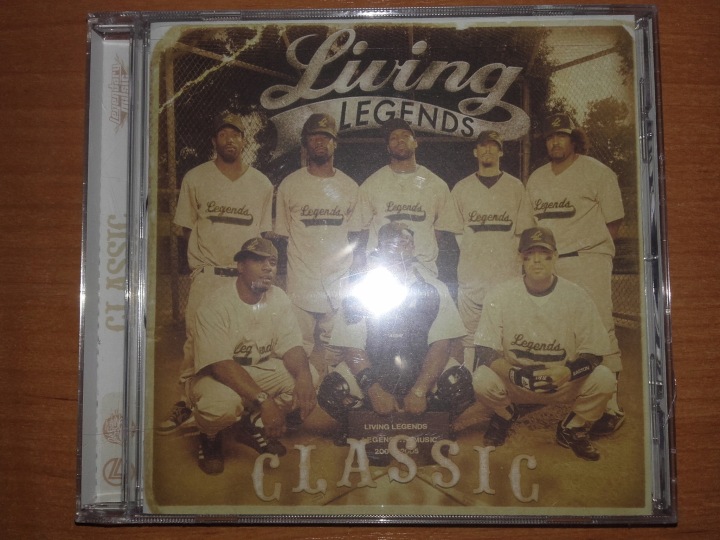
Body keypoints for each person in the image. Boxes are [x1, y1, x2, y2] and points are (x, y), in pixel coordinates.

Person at [159, 113, 274, 434]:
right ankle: (186, 401)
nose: (230, 139)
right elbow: (186, 228)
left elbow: (262, 236)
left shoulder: (261, 183)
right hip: (208, 274)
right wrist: (205, 259)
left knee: (246, 340)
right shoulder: (196, 177)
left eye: (236, 134)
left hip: (244, 278)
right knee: (196, 341)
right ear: (214, 140)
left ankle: (239, 405)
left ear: (244, 141)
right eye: (223, 134)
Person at [317, 222, 475, 453]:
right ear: (379, 249)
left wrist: (420, 390)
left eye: (407, 241)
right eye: (394, 242)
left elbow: (442, 345)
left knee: (458, 382)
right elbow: (352, 348)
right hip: (376, 371)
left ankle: (435, 426)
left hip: (420, 371)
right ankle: (360, 428)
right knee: (333, 390)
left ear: (413, 247)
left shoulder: (434, 287)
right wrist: (374, 390)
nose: (402, 246)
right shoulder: (360, 288)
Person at [472, 227, 616, 461]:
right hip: (517, 380)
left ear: (555, 256)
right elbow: (484, 350)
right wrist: (515, 374)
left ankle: (572, 427)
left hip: (561, 381)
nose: (537, 260)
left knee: (605, 378)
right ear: (521, 258)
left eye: (544, 254)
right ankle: (506, 414)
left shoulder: (576, 295)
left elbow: (594, 353)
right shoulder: (500, 294)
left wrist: (569, 372)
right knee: (481, 378)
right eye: (530, 254)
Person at [526, 113, 626, 436]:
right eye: (550, 137)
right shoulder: (537, 178)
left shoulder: (597, 171)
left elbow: (614, 222)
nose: (555, 142)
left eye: (562, 135)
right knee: (561, 330)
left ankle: (611, 406)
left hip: (588, 258)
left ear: (574, 139)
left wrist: (593, 251)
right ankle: (580, 395)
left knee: (600, 327)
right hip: (552, 262)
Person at [187, 237, 316, 475]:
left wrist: (305, 375)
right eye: (258, 261)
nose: (268, 267)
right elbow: (220, 366)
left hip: (256, 370)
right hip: (217, 377)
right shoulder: (216, 303)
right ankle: (210, 435)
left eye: (272, 262)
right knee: (222, 406)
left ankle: (252, 425)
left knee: (309, 376)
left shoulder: (278, 297)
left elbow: (291, 346)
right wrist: (265, 401)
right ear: (240, 266)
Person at [274, 113, 360, 380]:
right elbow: (284, 235)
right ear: (305, 144)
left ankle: (335, 397)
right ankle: (300, 397)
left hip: (338, 282)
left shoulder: (349, 186)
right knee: (297, 346)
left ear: (335, 143)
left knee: (337, 351)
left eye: (326, 137)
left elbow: (354, 237)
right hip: (302, 280)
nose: (320, 142)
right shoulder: (290, 184)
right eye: (314, 137)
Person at [451, 130, 535, 367]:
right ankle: (469, 380)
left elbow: (521, 233)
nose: (487, 149)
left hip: (505, 274)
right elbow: (458, 233)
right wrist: (475, 252)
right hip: (472, 275)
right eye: (483, 145)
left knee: (507, 333)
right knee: (469, 336)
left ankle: (508, 381)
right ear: (475, 151)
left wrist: (506, 259)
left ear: (501, 152)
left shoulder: (515, 187)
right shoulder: (462, 188)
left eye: (493, 145)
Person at [354, 118, 462, 277]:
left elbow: (442, 231)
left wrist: (420, 248)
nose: (400, 140)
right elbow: (362, 230)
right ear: (388, 147)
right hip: (382, 272)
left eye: (405, 135)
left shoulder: (436, 184)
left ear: (415, 142)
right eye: (393, 138)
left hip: (423, 270)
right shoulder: (371, 184)